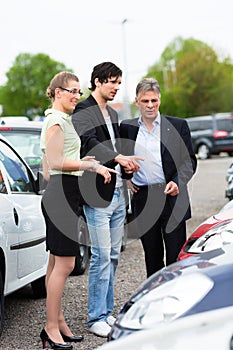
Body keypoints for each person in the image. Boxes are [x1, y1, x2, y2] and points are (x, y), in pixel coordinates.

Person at [40, 71, 118, 349]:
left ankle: (58, 322)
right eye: (71, 91)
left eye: (78, 92)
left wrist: (78, 161)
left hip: (62, 193)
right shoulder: (57, 120)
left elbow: (48, 168)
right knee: (66, 264)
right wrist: (89, 165)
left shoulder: (57, 119)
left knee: (54, 263)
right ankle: (51, 327)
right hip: (62, 197)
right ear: (57, 92)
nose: (76, 96)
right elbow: (55, 161)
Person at [72, 62, 142, 337]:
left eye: (119, 83)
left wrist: (126, 175)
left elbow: (116, 149)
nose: (116, 88)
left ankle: (107, 312)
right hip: (95, 192)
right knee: (100, 255)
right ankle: (95, 318)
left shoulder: (113, 114)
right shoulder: (83, 110)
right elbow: (89, 143)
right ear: (98, 82)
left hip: (116, 190)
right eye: (112, 82)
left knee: (113, 255)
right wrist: (116, 158)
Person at [120, 77, 197, 278]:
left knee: (176, 258)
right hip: (143, 198)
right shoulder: (127, 128)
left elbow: (189, 161)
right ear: (137, 102)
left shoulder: (178, 126)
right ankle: (154, 303)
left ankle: (178, 302)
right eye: (145, 101)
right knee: (152, 258)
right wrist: (127, 176)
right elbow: (123, 161)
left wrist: (178, 182)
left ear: (159, 100)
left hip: (172, 196)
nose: (150, 105)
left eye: (154, 100)